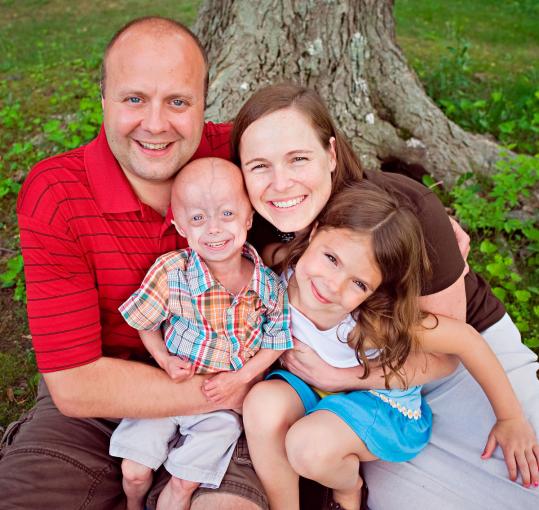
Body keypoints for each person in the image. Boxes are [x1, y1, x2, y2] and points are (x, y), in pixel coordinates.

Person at [0, 17, 269, 510]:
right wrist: (238, 388)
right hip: (109, 395)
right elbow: (78, 386)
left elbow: (326, 173)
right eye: (134, 99)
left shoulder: (235, 156)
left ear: (203, 104)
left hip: (229, 396)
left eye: (178, 101)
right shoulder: (57, 195)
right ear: (103, 98)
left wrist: (420, 212)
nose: (156, 123)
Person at [232, 83, 539, 509]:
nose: (280, 183)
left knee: (522, 469)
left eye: (298, 158)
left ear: (332, 155)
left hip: (420, 375)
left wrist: (338, 377)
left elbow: (449, 353)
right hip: (342, 397)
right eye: (259, 166)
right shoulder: (263, 235)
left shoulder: (397, 222)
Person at [110, 157, 292, 510]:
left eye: (227, 214)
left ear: (249, 217)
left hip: (222, 406)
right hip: (168, 391)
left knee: (184, 482)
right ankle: (132, 503)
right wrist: (164, 359)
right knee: (133, 470)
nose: (213, 229)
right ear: (180, 225)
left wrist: (239, 379)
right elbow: (145, 321)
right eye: (198, 218)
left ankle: (174, 492)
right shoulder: (171, 271)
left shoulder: (267, 284)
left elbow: (276, 340)